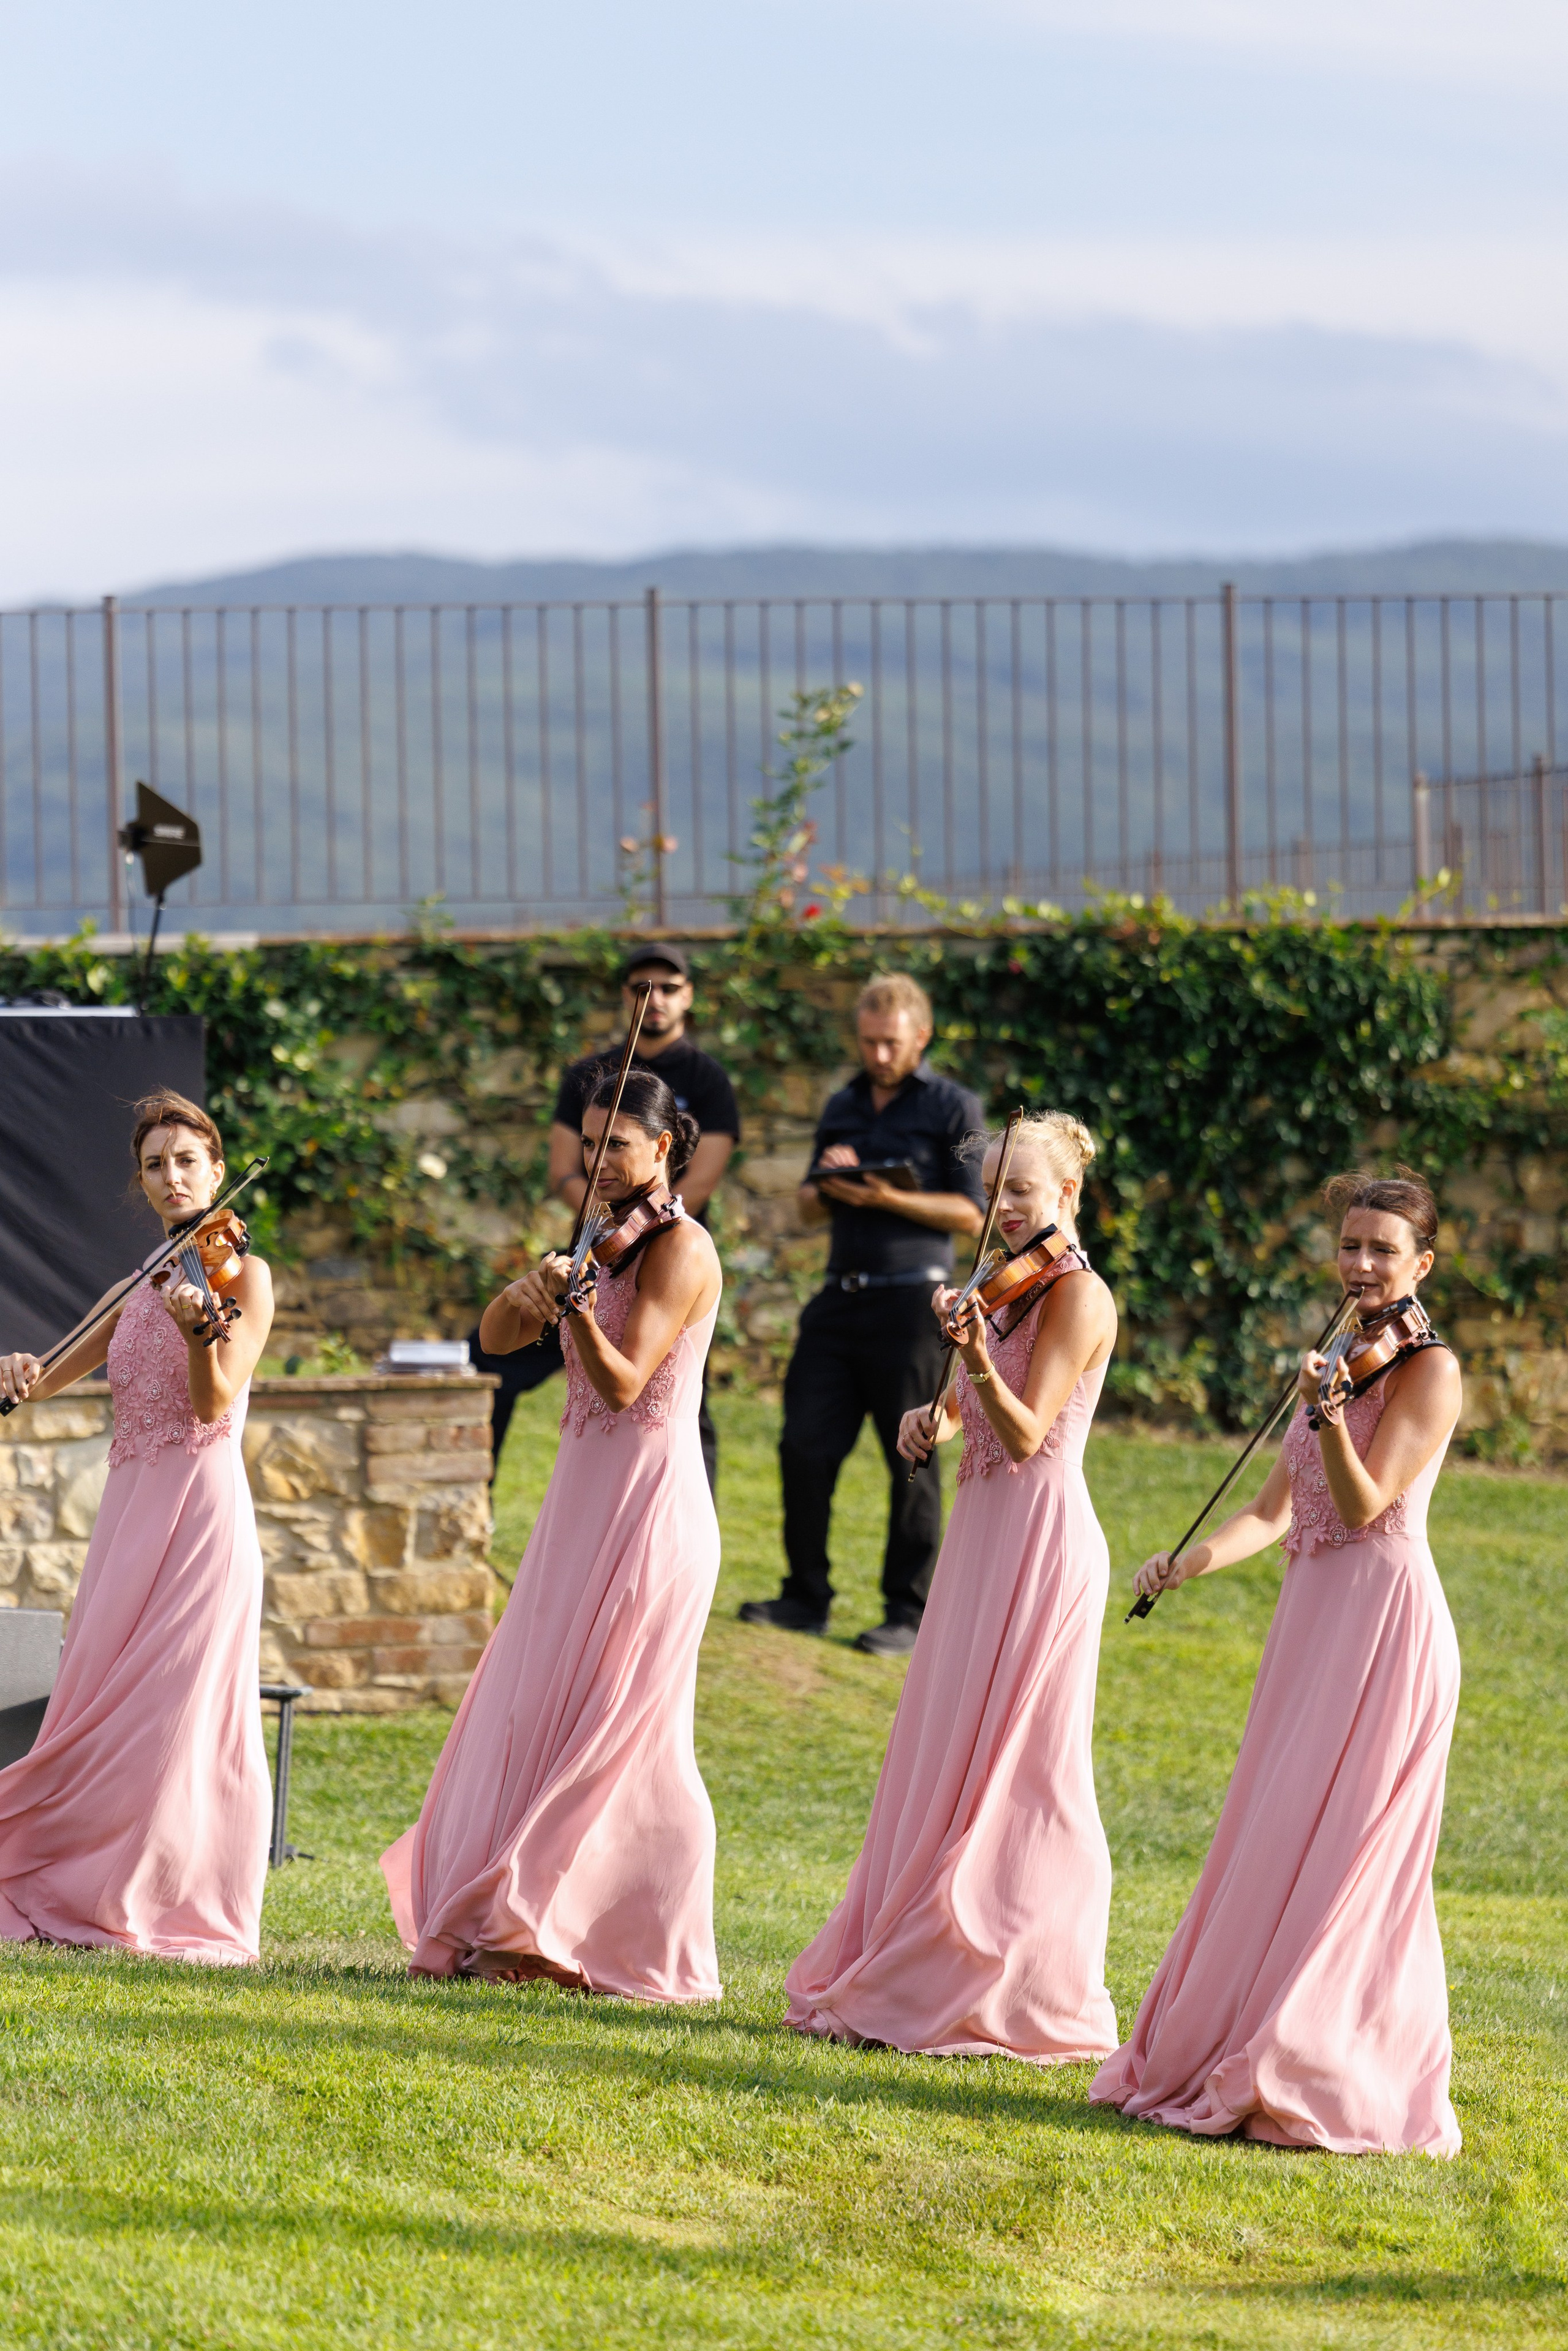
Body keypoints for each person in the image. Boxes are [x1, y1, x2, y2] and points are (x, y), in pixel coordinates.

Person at [1091, 1168, 1464, 2156]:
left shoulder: (1429, 1369)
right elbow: (1274, 1510)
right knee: (1277, 1827)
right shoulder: (1342, 1353)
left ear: (1423, 1262)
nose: (1362, 1262)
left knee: (1350, 1850)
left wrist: (1333, 1414)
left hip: (1387, 1630)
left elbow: (1363, 1504)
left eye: (1384, 1248)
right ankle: (1241, 2039)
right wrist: (1189, 1562)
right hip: (1313, 1629)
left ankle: (1322, 2059)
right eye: (1351, 1243)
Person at [382, 1068, 725, 1999]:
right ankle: (521, 1920)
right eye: (589, 1141)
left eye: (618, 1142)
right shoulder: (594, 1245)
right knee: (536, 1706)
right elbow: (492, 1339)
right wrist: (536, 1287)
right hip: (579, 1505)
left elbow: (625, 1383)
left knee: (623, 1726)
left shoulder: (680, 1248)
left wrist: (572, 1308)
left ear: (664, 1148)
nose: (598, 1157)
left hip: (650, 1507)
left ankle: (609, 1929)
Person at [785, 1114, 1120, 2061]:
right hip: (981, 1543)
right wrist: (929, 1417)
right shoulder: (1000, 1290)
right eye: (996, 1188)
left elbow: (1027, 1436)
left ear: (1068, 1196)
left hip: (1043, 1546)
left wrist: (969, 1356)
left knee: (1029, 1767)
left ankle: (1028, 1976)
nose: (1004, 1206)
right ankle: (928, 1949)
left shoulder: (1078, 1295)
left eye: (1023, 1189)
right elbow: (979, 1423)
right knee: (949, 1751)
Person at [0, 1092, 274, 1964]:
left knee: (176, 1705)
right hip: (131, 1510)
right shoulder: (139, 1280)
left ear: (218, 1170)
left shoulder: (246, 1276)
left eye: (187, 1160)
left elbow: (214, 1399)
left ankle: (175, 1890)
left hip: (199, 1512)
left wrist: (202, 1333)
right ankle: (90, 1869)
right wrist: (16, 1366)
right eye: (155, 1164)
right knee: (101, 1692)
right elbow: (43, 1378)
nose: (171, 1177)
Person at [739, 973, 984, 1657]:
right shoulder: (843, 1103)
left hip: (915, 1302)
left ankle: (907, 1613)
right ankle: (804, 1597)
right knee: (802, 1447)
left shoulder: (953, 1106)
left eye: (891, 1043)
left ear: (921, 1036)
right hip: (838, 1299)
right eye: (869, 1042)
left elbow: (972, 1214)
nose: (878, 1055)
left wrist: (886, 1197)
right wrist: (829, 1183)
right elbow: (805, 1206)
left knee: (910, 1456)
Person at [469, 945, 739, 1493]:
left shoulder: (707, 1079)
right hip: (599, 1240)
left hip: (660, 1258)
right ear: (626, 996)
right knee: (488, 1363)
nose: (599, 1160)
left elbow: (703, 1177)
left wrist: (649, 1220)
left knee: (678, 1398)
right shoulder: (591, 1079)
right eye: (643, 988)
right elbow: (566, 1169)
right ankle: (479, 1492)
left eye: (669, 987)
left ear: (687, 996)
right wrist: (604, 1226)